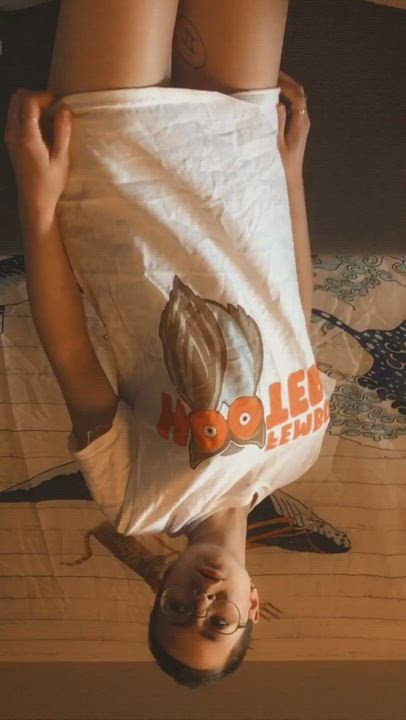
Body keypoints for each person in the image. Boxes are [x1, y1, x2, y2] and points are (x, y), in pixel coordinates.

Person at [4, 0, 336, 688]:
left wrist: (36, 199)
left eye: (179, 611)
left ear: (161, 591)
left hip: (121, 168)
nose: (203, 600)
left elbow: (71, 354)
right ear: (252, 607)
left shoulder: (137, 503)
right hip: (243, 159)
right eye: (218, 622)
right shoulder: (300, 455)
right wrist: (291, 173)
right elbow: (290, 309)